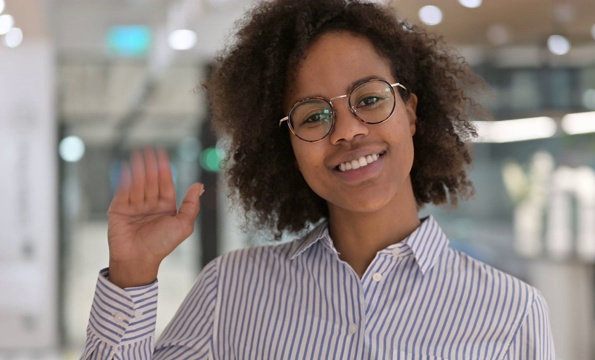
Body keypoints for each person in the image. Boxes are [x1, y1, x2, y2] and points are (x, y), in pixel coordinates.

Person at [81, 0, 555, 358]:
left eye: (369, 100)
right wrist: (131, 276)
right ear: (286, 146)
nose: (347, 131)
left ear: (410, 113)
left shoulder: (510, 313)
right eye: (314, 116)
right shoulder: (231, 291)